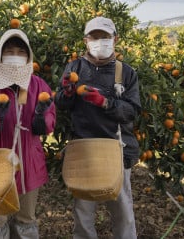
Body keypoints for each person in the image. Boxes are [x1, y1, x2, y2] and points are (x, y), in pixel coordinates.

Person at [54, 17, 141, 239]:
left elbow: (131, 111)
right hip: (84, 150)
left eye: (104, 37)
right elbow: (61, 104)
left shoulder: (125, 72)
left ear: (115, 39)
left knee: (122, 212)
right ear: (86, 40)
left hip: (117, 151)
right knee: (83, 213)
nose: (99, 41)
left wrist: (105, 102)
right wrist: (68, 93)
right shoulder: (74, 67)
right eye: (94, 37)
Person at [0, 29, 57, 239]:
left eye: (20, 51)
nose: (15, 56)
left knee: (26, 219)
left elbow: (49, 123)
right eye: (9, 51)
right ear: (0, 54)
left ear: (28, 56)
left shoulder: (37, 85)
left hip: (29, 165)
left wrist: (40, 119)